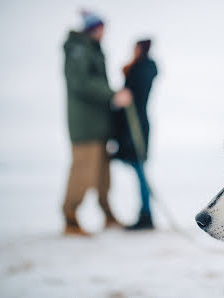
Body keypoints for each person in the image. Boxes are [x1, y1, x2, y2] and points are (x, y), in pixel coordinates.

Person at [62, 10, 132, 236]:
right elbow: (80, 83)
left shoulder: (91, 49)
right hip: (85, 127)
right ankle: (70, 218)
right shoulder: (78, 50)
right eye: (101, 28)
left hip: (99, 126)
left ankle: (108, 216)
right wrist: (113, 94)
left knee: (103, 175)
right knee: (82, 173)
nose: (104, 33)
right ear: (93, 28)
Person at [111, 39, 158, 230]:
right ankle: (145, 213)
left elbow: (130, 96)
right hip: (136, 125)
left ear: (140, 49)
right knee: (139, 171)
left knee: (140, 171)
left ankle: (146, 214)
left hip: (135, 127)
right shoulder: (142, 69)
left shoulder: (140, 70)